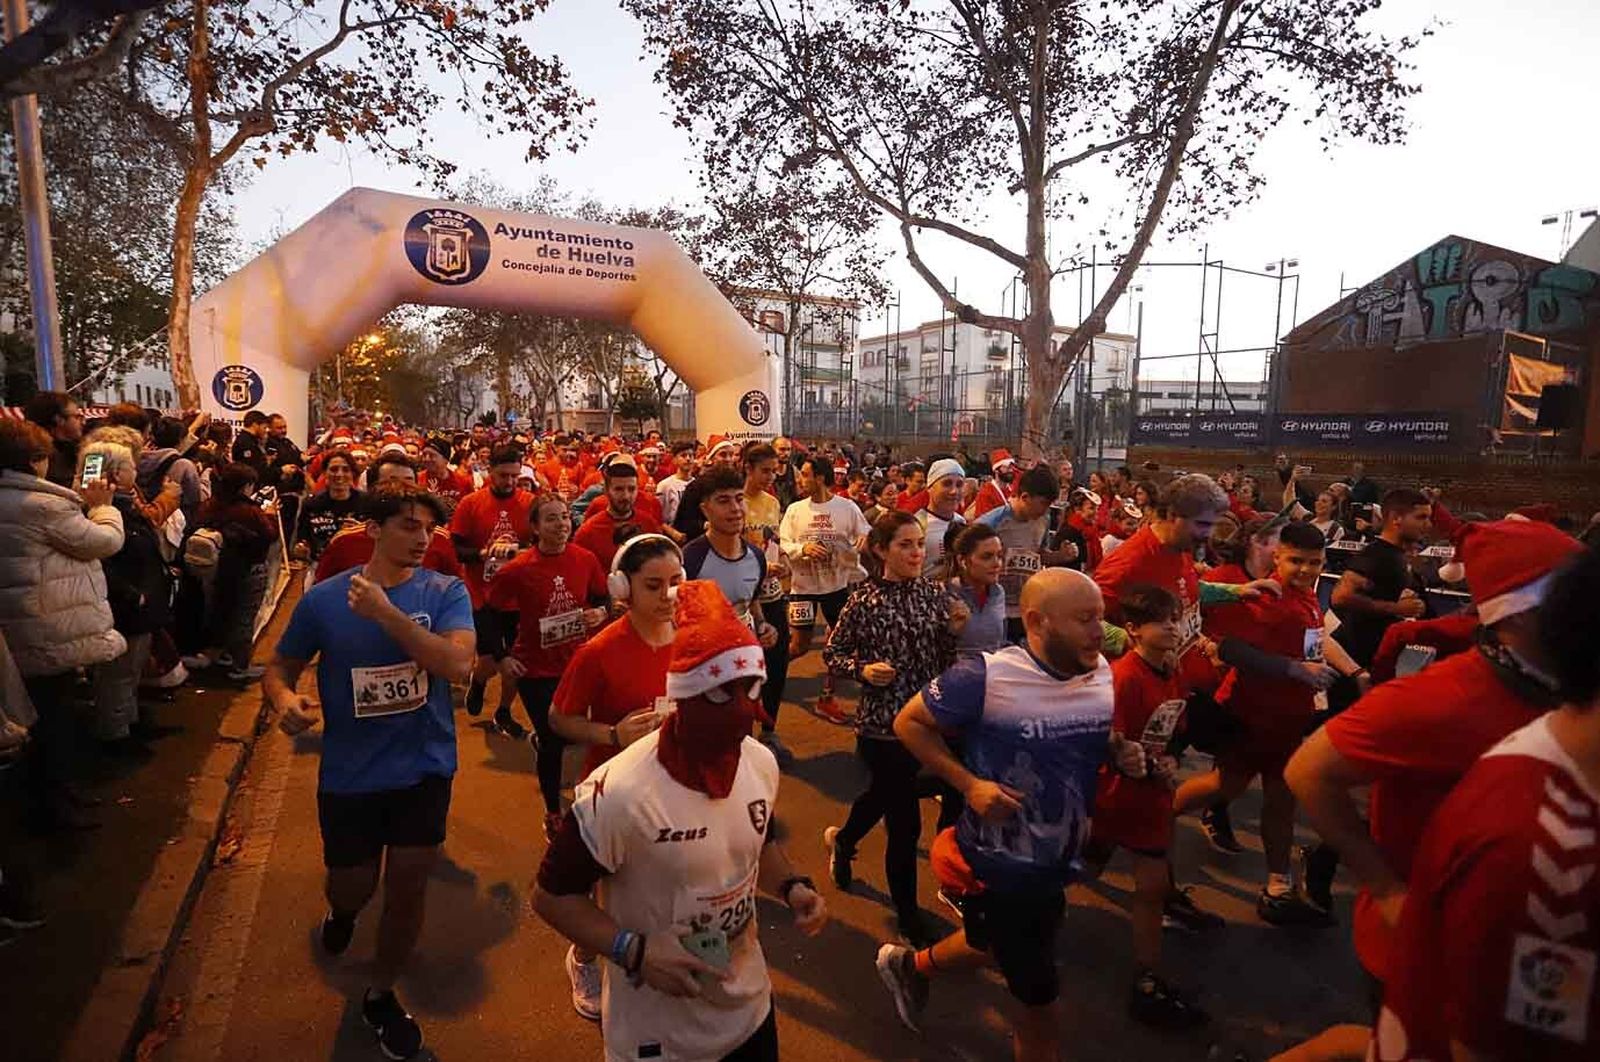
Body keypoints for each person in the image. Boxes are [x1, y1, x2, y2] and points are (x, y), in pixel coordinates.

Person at [1286, 519, 1581, 1004]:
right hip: (1433, 949)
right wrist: (1384, 889)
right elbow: (1308, 771)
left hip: (1533, 947)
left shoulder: (1567, 681)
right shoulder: (1438, 699)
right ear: (1523, 614)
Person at [532, 581, 827, 1062]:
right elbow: (550, 895)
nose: (740, 708)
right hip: (660, 1036)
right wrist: (634, 951)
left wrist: (793, 886)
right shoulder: (621, 790)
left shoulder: (758, 762)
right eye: (719, 694)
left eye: (750, 688)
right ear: (686, 696)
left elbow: (759, 839)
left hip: (749, 1010)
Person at [1345, 544, 1600, 1062]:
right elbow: (1310, 771)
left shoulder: (1544, 731)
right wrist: (1385, 886)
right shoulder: (1542, 848)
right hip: (1408, 942)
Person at [877, 569, 1142, 1060]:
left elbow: (1083, 740)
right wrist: (969, 785)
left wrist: (1118, 752)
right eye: (1085, 620)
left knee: (989, 941)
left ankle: (910, 967)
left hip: (1060, 857)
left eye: (1102, 618)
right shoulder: (985, 676)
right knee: (1039, 1005)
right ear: (1038, 621)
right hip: (1002, 867)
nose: (1099, 632)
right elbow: (908, 723)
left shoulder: (1101, 670)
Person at [267, 482, 475, 1062]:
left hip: (425, 766)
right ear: (374, 530)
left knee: (409, 885)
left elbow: (458, 665)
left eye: (428, 528)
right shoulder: (325, 601)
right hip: (352, 773)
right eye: (408, 525)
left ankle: (381, 995)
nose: (422, 538)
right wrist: (284, 702)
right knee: (354, 884)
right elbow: (279, 667)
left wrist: (388, 615)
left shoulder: (445, 590)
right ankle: (343, 910)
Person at [1174, 521, 1369, 926]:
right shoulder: (1266, 597)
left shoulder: (1307, 597)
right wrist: (1293, 670)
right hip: (1253, 715)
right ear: (1277, 557)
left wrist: (1350, 672)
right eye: (1296, 560)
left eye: (1314, 562)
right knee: (1224, 786)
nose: (1305, 569)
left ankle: (1278, 886)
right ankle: (1150, 820)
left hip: (1290, 718)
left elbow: (1315, 640)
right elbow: (1228, 647)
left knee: (1281, 799)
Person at [549, 534, 683, 1021]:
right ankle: (584, 957)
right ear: (622, 588)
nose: (669, 596)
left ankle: (654, 954)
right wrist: (612, 733)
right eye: (654, 586)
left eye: (676, 582)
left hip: (675, 783)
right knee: (603, 884)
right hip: (612, 789)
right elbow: (559, 719)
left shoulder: (694, 636)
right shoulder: (599, 651)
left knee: (659, 880)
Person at [821, 512, 966, 945]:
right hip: (882, 728)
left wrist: (952, 633)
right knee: (904, 826)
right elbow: (834, 654)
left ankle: (844, 841)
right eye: (904, 545)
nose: (916, 552)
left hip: (928, 723)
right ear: (881, 550)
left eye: (919, 544)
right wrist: (863, 670)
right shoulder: (862, 600)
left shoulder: (934, 595)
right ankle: (907, 915)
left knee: (886, 797)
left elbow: (942, 662)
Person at [1081, 584, 1204, 1029]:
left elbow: (1172, 728)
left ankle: (1146, 978)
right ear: (1132, 630)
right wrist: (1141, 764)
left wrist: (1169, 759)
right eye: (1162, 622)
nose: (1173, 628)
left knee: (1151, 887)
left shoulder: (1172, 670)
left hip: (1150, 799)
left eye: (1176, 619)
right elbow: (1109, 740)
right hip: (1113, 798)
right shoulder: (1122, 677)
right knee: (1080, 868)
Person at [0, 418, 125, 831]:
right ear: (35, 460)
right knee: (54, 721)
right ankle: (56, 809)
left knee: (33, 718)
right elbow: (103, 541)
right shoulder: (44, 505)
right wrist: (104, 506)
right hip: (48, 626)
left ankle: (49, 801)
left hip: (16, 626)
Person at [485, 494, 608, 832]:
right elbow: (489, 614)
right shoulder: (518, 569)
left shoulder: (585, 559)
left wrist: (601, 611)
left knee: (578, 733)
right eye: (551, 519)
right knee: (554, 740)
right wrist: (502, 657)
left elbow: (601, 596)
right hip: (535, 668)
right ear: (535, 528)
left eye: (566, 517)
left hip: (578, 663)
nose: (561, 525)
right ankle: (553, 811)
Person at [682, 466, 784, 755]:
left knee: (741, 737)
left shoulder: (756, 557)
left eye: (739, 499)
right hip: (701, 671)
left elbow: (750, 600)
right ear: (705, 509)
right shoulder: (689, 560)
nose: (736, 508)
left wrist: (764, 626)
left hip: (744, 665)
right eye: (723, 500)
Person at [85, 435, 174, 757]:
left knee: (132, 670)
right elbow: (103, 559)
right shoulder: (102, 512)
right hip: (126, 606)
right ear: (115, 474)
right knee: (118, 676)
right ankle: (115, 737)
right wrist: (132, 595)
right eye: (130, 466)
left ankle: (130, 723)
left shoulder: (124, 506)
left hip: (141, 600)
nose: (136, 470)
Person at [779, 454, 871, 724]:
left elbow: (864, 533)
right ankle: (764, 673)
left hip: (836, 588)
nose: (800, 480)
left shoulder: (847, 507)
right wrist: (802, 548)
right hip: (803, 588)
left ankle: (827, 699)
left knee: (840, 646)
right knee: (798, 646)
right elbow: (784, 542)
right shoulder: (795, 510)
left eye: (805, 475)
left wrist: (859, 544)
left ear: (820, 477)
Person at [449, 445, 535, 718]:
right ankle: (478, 681)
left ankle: (504, 709)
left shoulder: (530, 503)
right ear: (489, 472)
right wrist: (483, 553)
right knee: (491, 658)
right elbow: (457, 549)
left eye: (514, 476)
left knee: (516, 660)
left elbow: (540, 544)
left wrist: (519, 553)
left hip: (519, 597)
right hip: (482, 595)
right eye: (503, 475)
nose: (509, 482)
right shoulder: (470, 504)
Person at [313, 455, 462, 585]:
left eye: (409, 482)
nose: (402, 491)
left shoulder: (440, 540)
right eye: (392, 483)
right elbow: (322, 593)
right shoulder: (345, 542)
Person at [191, 463, 279, 682]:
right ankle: (240, 666)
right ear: (245, 486)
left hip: (214, 570)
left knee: (223, 611)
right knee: (244, 617)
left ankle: (224, 656)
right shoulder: (250, 511)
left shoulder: (210, 505)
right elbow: (270, 536)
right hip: (248, 568)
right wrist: (269, 516)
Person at [1329, 488, 1432, 671]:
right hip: (1354, 661)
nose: (1428, 524)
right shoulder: (1375, 555)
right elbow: (1340, 597)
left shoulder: (1401, 556)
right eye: (1420, 517)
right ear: (1396, 518)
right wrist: (1396, 608)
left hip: (1379, 657)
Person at [977, 463, 1078, 643]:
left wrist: (1061, 556)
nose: (1046, 511)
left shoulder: (1042, 521)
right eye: (1043, 504)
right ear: (1025, 497)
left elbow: (1039, 553)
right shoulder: (992, 523)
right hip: (995, 606)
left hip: (1026, 606)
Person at [742, 444, 792, 760]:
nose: (771, 476)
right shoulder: (734, 502)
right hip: (744, 598)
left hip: (773, 593)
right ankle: (742, 734)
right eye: (765, 470)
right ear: (748, 467)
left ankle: (769, 730)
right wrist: (758, 565)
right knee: (748, 669)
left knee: (777, 663)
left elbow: (773, 542)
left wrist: (783, 558)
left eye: (775, 470)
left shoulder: (773, 503)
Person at [574, 455, 663, 568]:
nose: (626, 496)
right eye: (619, 489)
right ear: (606, 490)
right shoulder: (587, 533)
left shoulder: (649, 524)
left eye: (631, 489)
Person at [943, 523, 1006, 658]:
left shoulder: (998, 593)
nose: (997, 564)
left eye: (999, 556)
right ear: (963, 561)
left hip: (993, 673)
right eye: (986, 557)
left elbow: (999, 643)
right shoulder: (945, 595)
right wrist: (952, 632)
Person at [295, 450, 363, 560]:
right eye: (333, 469)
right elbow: (302, 538)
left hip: (356, 566)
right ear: (325, 473)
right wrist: (301, 548)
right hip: (319, 566)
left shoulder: (366, 502)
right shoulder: (311, 504)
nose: (339, 474)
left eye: (345, 470)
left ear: (353, 474)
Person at [138, 416, 204, 529]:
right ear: (180, 440)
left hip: (143, 517)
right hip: (173, 524)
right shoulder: (184, 465)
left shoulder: (136, 458)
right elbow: (195, 499)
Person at [914, 458, 966, 577]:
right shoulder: (918, 525)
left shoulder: (960, 522)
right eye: (947, 484)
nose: (954, 491)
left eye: (959, 485)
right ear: (930, 488)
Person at [22, 390, 85, 487]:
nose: (83, 422)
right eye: (77, 417)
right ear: (59, 420)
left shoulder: (72, 449)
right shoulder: (44, 457)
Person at [417, 434, 473, 512]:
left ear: (445, 460)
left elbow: (470, 509)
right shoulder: (417, 480)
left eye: (432, 455)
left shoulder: (463, 482)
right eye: (424, 455)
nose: (426, 459)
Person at [654, 440, 698, 526]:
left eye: (691, 455)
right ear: (674, 460)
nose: (688, 459)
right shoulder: (665, 485)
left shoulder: (697, 484)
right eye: (683, 456)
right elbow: (657, 516)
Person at [967, 447, 1016, 519]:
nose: (1011, 471)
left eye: (1011, 468)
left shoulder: (1013, 490)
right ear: (996, 470)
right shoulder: (986, 493)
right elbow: (982, 522)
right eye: (1007, 468)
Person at [231, 410, 272, 482]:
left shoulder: (252, 441)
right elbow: (251, 467)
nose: (265, 431)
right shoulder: (245, 443)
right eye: (264, 428)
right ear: (255, 425)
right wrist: (267, 462)